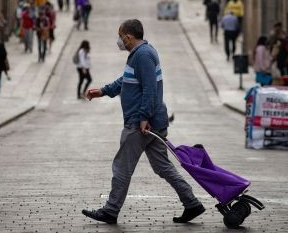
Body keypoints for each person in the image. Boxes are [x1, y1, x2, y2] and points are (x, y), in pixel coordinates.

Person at [82, 19, 205, 225]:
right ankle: (191, 203)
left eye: (121, 37)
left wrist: (144, 117)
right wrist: (104, 91)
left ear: (129, 37)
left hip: (142, 124)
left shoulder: (144, 55)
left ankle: (110, 211)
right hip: (151, 121)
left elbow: (150, 89)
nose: (119, 41)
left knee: (122, 167)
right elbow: (126, 80)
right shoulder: (139, 55)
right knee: (163, 167)